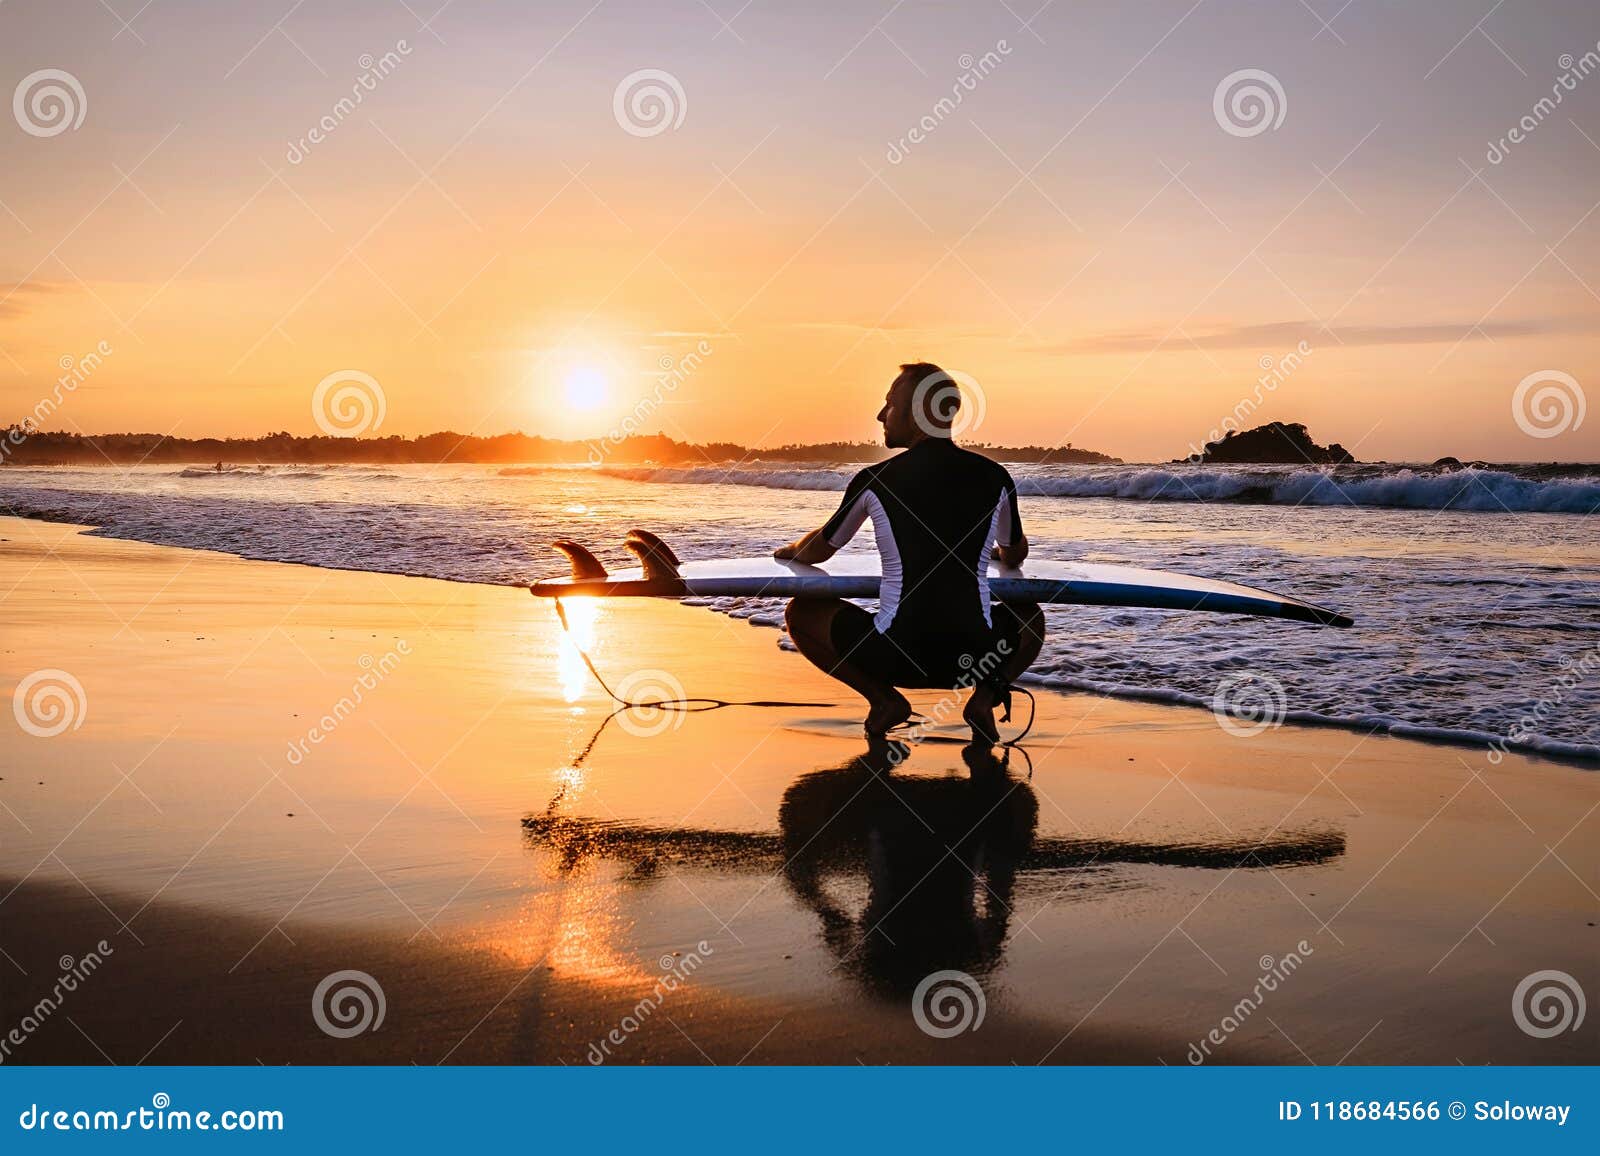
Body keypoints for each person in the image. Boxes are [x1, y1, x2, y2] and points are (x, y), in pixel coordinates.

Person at [775, 363, 1045, 743]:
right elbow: (1015, 555)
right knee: (1030, 617)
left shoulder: (875, 480)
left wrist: (790, 550)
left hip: (895, 656)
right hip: (974, 658)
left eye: (890, 404)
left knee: (800, 612)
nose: (880, 415)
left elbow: (818, 551)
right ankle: (982, 701)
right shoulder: (994, 476)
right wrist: (994, 553)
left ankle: (884, 700)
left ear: (919, 412)